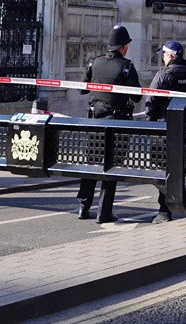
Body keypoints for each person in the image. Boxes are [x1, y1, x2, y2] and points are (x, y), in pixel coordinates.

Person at [77, 24, 139, 223]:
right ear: (123, 46)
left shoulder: (94, 62)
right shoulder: (127, 66)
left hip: (95, 120)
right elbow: (137, 97)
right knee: (110, 167)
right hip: (116, 122)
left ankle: (83, 207)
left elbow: (82, 89)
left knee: (91, 164)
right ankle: (103, 212)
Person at [147, 40, 186, 222]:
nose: (162, 58)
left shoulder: (162, 75)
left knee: (166, 169)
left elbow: (151, 103)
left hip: (167, 130)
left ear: (170, 56)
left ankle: (164, 210)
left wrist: (152, 122)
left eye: (163, 54)